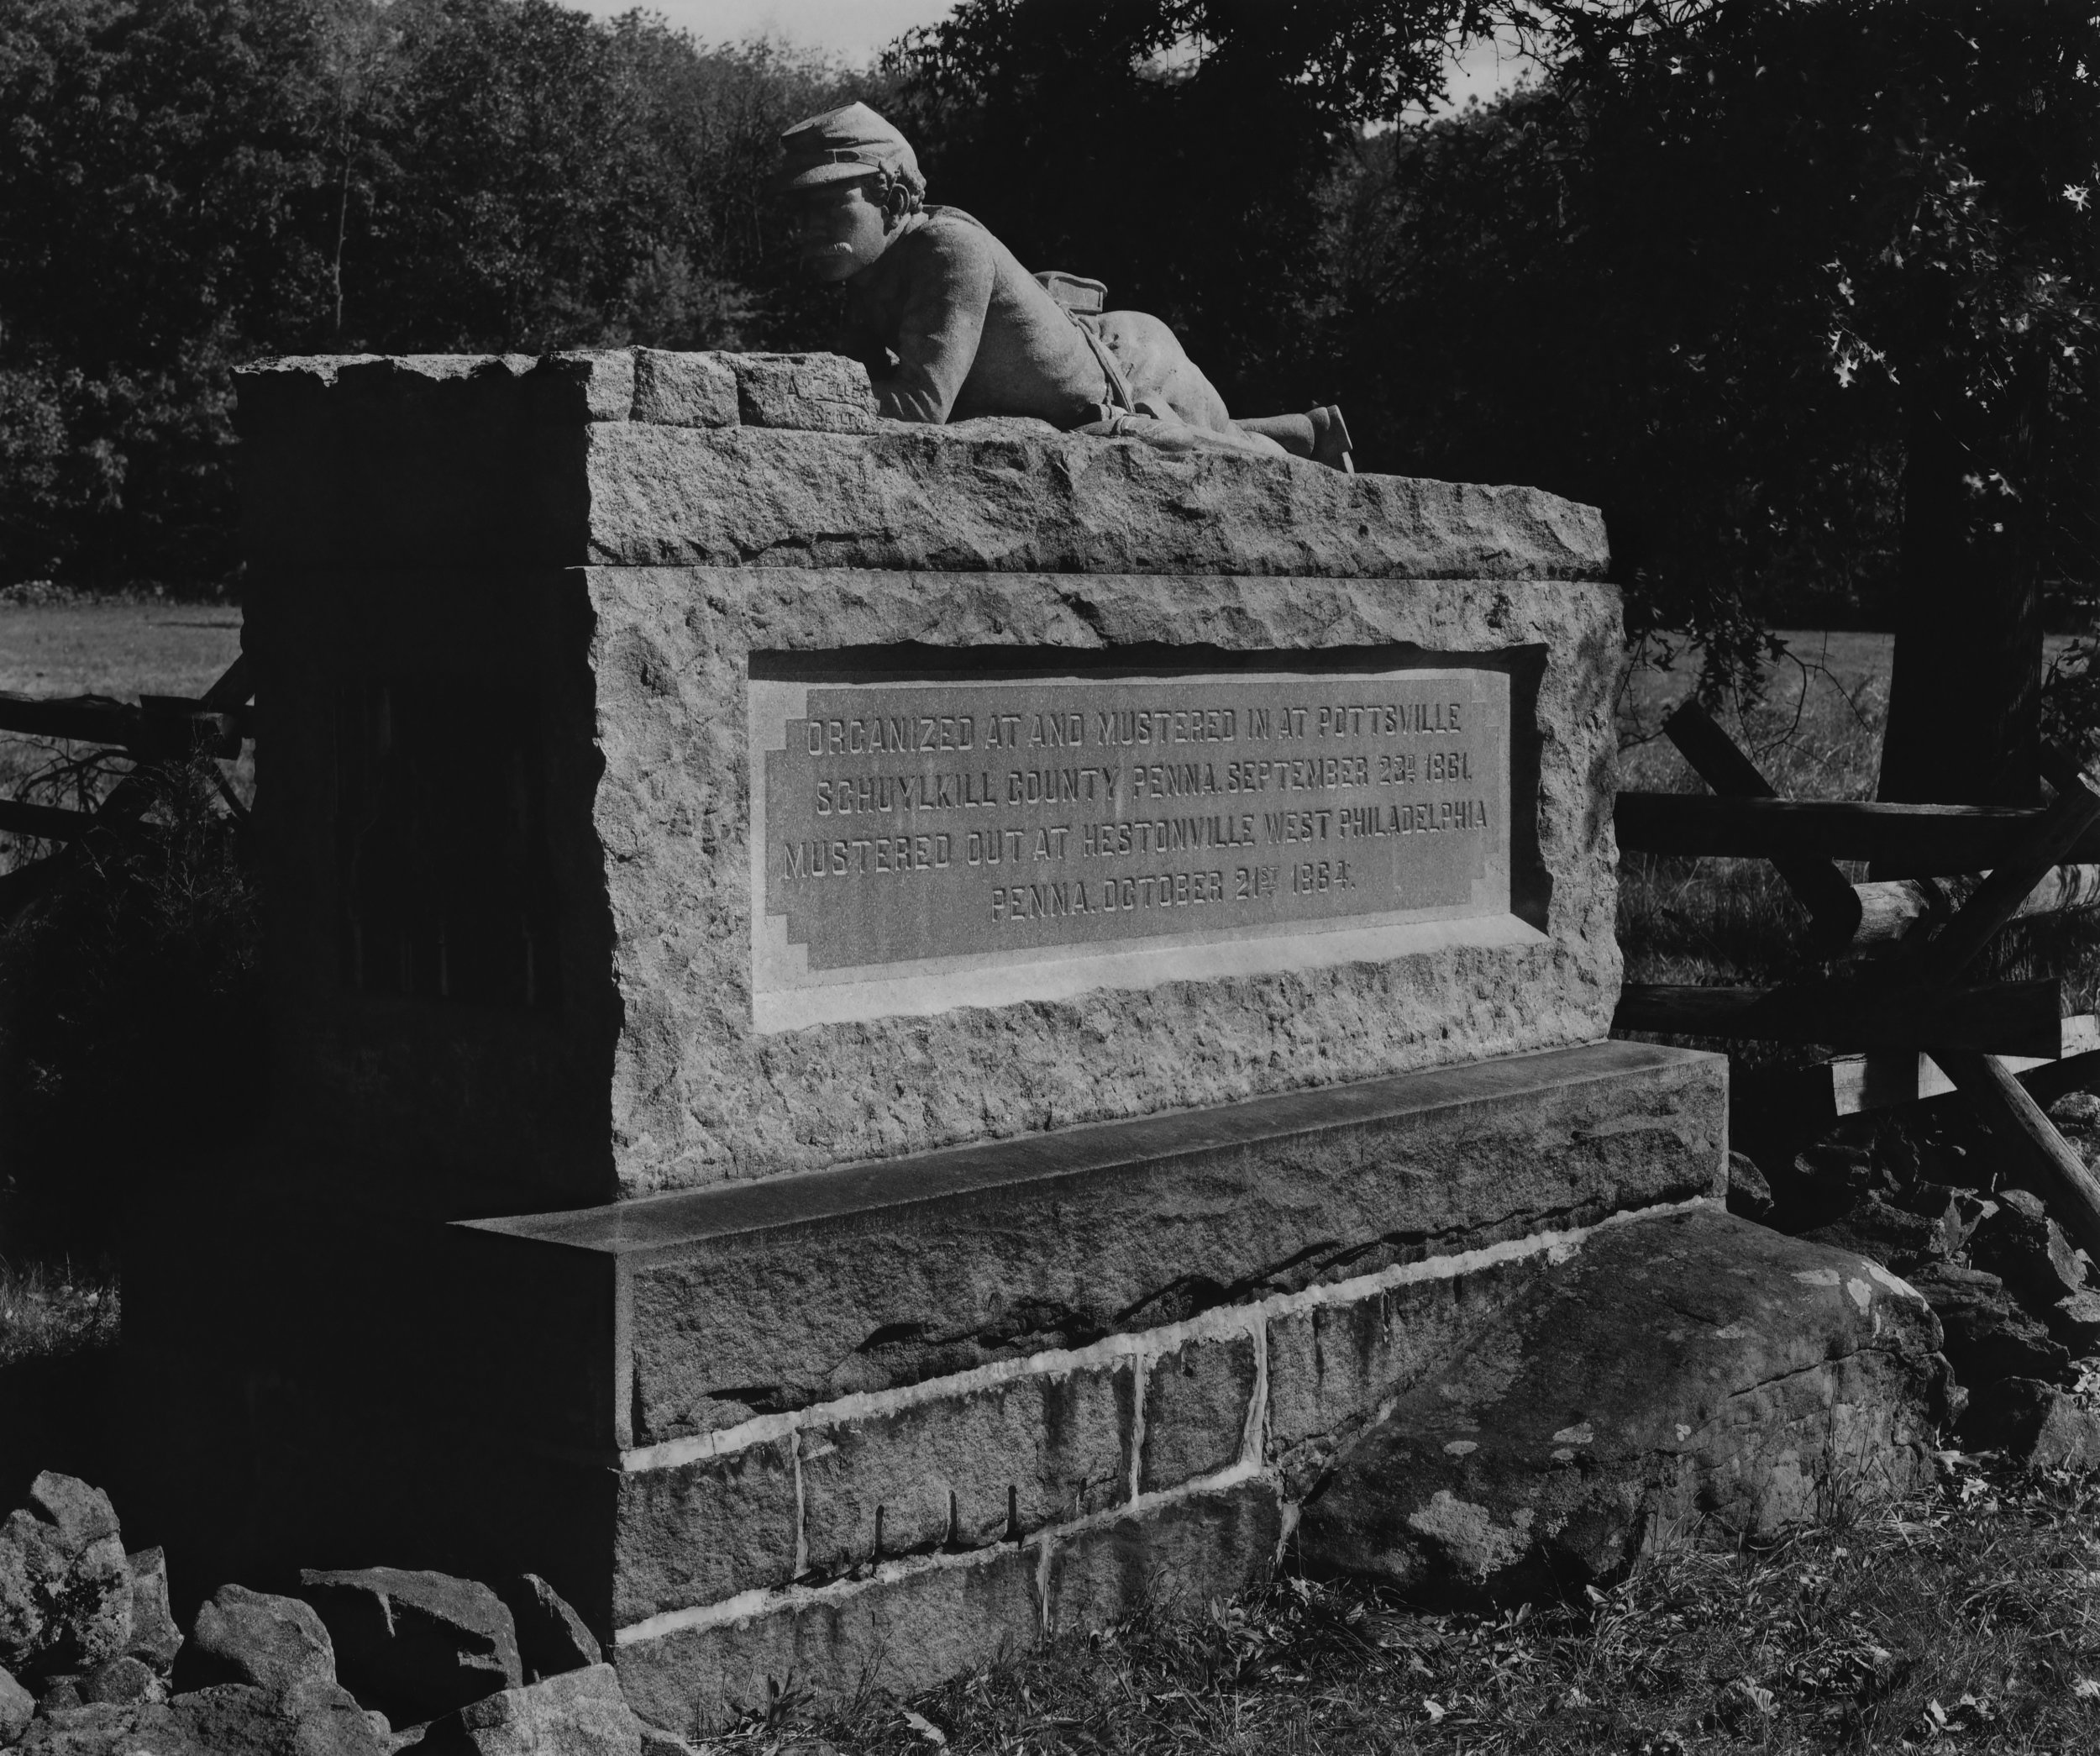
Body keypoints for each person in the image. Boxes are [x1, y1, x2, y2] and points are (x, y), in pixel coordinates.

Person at [777, 102, 1352, 469]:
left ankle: (1303, 445)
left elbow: (919, 405)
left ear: (896, 200)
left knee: (1209, 445)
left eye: (829, 205)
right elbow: (859, 385)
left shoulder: (945, 249)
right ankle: (1313, 428)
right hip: (1093, 364)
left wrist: (785, 400)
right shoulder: (867, 275)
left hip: (1130, 378)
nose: (807, 229)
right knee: (1210, 430)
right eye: (800, 212)